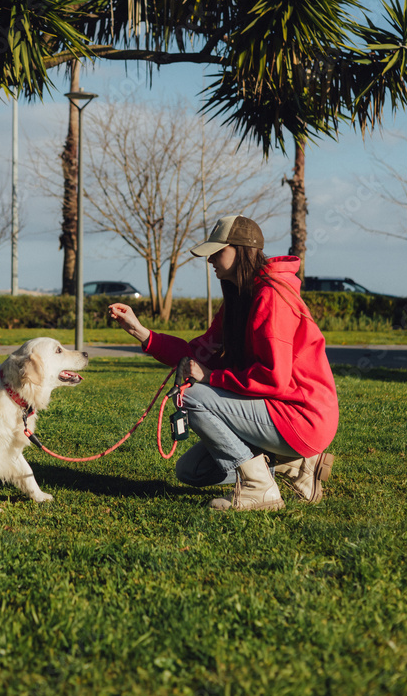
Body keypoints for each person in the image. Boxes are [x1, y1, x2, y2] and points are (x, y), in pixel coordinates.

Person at [109, 214, 338, 512]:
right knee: (191, 471)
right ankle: (297, 467)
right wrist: (140, 331)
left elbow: (274, 378)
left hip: (302, 417)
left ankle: (259, 489)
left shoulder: (272, 297)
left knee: (192, 397)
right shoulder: (239, 298)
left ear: (241, 250)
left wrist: (210, 378)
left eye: (217, 252)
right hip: (277, 412)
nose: (210, 260)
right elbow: (199, 354)